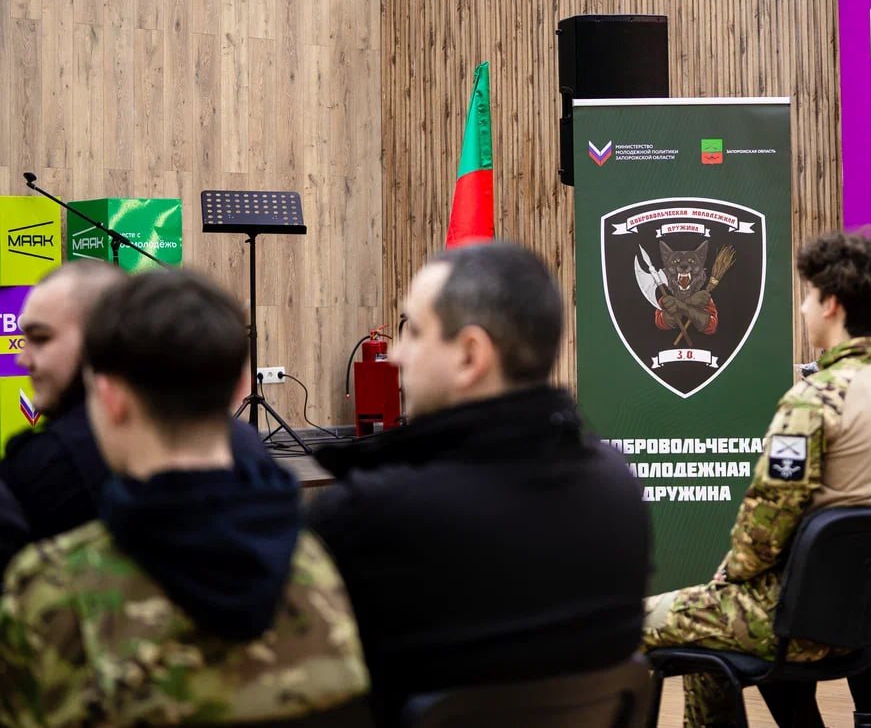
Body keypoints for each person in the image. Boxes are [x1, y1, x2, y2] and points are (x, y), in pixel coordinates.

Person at [0, 269, 369, 725]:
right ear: (241, 386)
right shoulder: (318, 566)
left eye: (41, 338)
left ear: (109, 395)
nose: (23, 358)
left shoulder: (49, 590)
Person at [306, 241, 649, 723]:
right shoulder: (619, 488)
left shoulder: (368, 514)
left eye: (414, 331)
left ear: (470, 355)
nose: (395, 355)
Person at [642, 229, 871, 728]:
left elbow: (760, 536)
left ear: (832, 305)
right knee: (707, 646)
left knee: (628, 622)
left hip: (796, 621)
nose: (802, 308)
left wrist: (725, 580)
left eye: (809, 295)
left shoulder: (814, 400)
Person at [1, 261, 270, 574]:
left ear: (99, 338)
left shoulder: (44, 466)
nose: (21, 358)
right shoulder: (247, 450)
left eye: (41, 338)